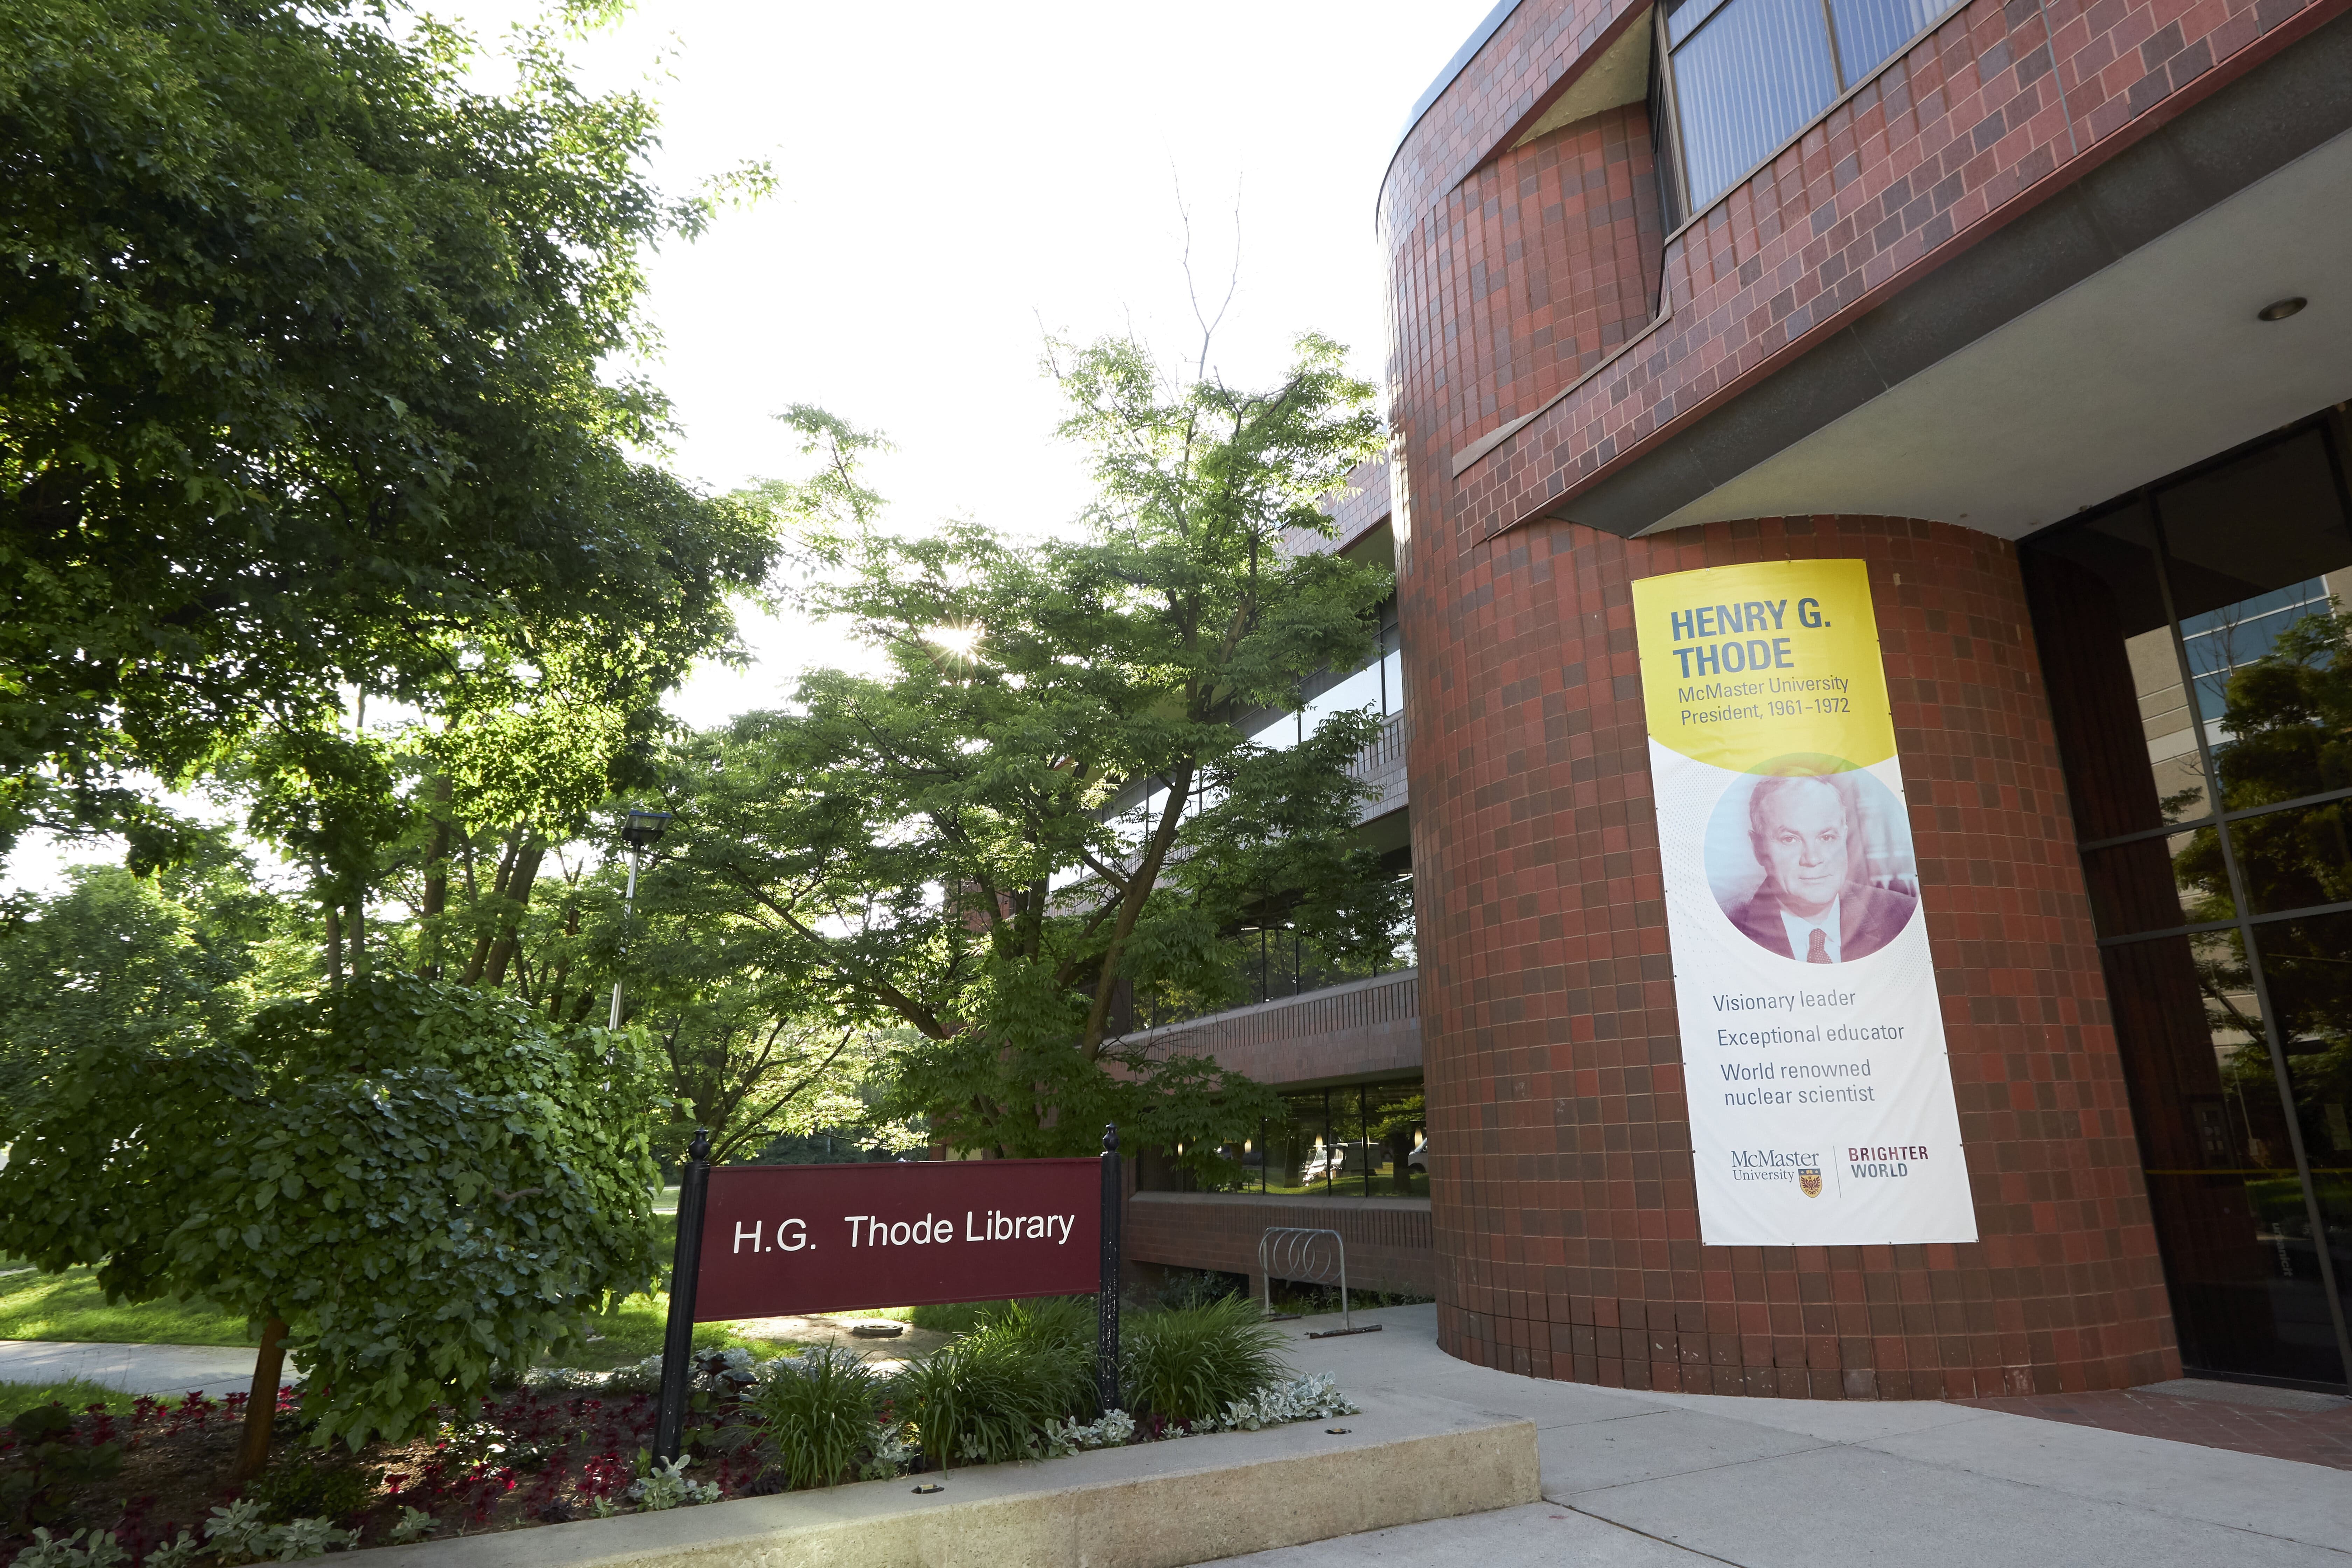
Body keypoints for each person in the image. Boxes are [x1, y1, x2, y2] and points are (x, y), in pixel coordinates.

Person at [1727, 774, 1915, 962]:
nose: (1813, 858)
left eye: (1827, 838)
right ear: (1758, 848)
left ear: (1844, 838)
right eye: (1789, 839)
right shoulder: (1725, 929)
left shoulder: (1904, 916)